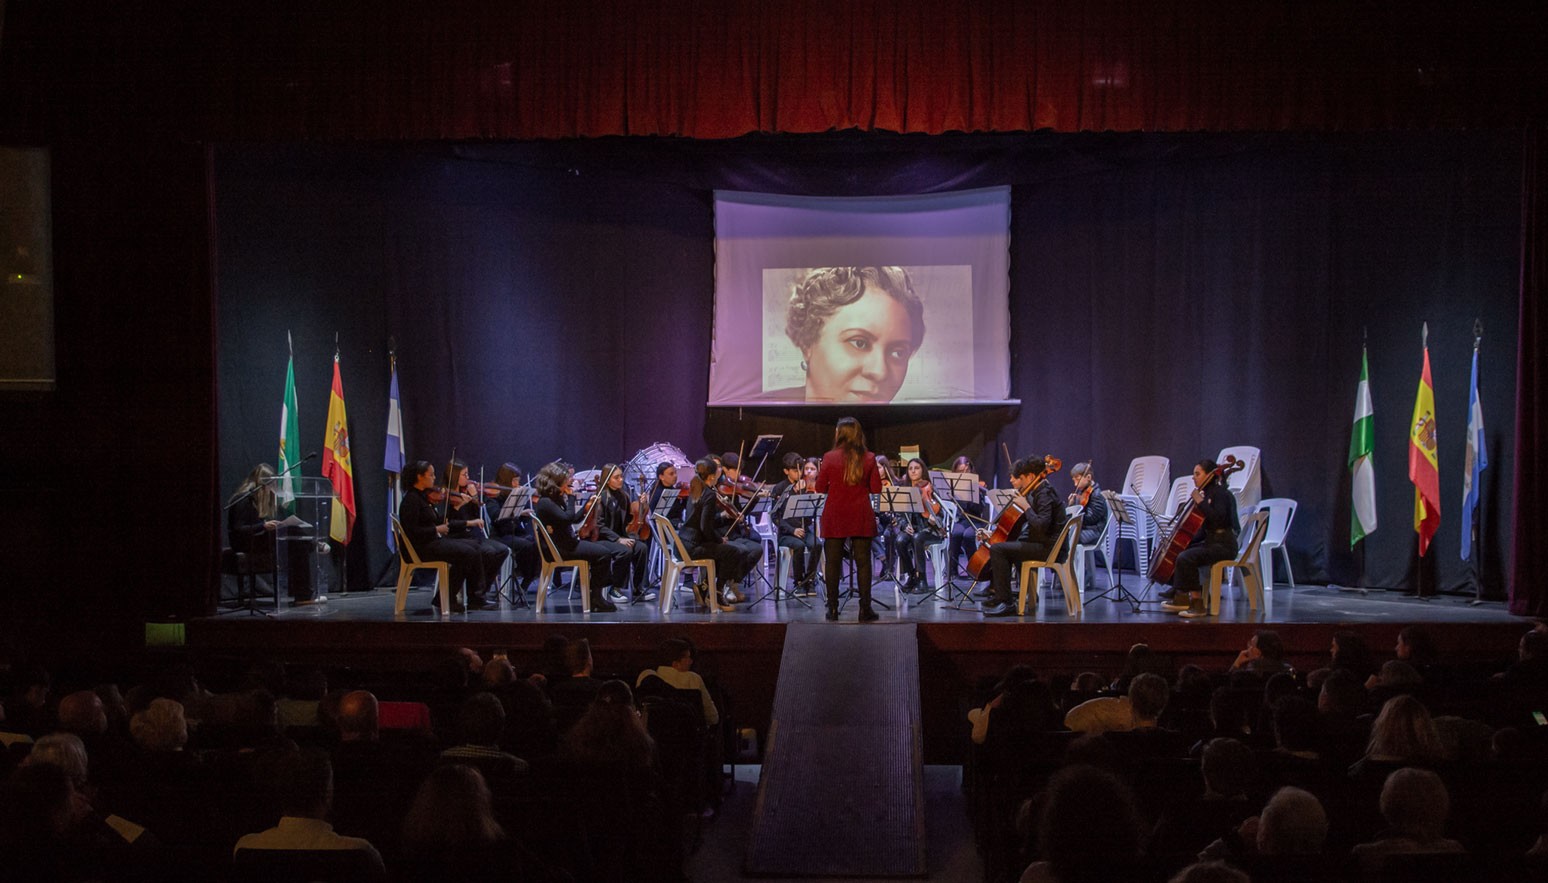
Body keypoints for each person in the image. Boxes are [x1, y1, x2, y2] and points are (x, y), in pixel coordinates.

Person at [783, 266, 926, 403]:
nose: (879, 372)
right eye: (859, 343)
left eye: (898, 353)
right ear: (807, 343)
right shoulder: (766, 418)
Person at [814, 417, 884, 622]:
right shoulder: (870, 458)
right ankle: (865, 609)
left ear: (840, 433)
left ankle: (833, 609)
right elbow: (876, 489)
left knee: (833, 563)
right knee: (864, 563)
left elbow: (820, 488)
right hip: (860, 513)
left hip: (835, 514)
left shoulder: (828, 457)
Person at [975, 456, 1061, 617]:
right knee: (1004, 546)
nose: (1017, 481)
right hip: (1040, 543)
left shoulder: (1044, 494)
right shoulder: (1035, 492)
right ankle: (1006, 596)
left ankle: (1006, 602)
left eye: (1020, 478)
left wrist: (1026, 507)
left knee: (998, 550)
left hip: (1049, 548)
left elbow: (1042, 525)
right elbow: (1018, 527)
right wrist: (993, 534)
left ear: (1030, 476)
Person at [397, 460, 486, 613]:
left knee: (474, 546)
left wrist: (463, 519)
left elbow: (444, 523)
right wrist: (436, 529)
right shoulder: (411, 500)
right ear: (419, 477)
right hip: (420, 548)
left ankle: (456, 596)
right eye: (431, 475)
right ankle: (458, 597)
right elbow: (412, 531)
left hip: (430, 543)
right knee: (468, 552)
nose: (434, 478)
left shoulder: (422, 498)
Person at [531, 461, 618, 613]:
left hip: (566, 544)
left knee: (601, 552)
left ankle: (595, 595)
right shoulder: (546, 502)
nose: (569, 482)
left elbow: (573, 519)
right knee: (604, 553)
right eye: (566, 479)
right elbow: (567, 518)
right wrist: (571, 499)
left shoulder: (553, 499)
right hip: (559, 549)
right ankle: (596, 597)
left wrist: (587, 508)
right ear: (556, 481)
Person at [1159, 459, 1241, 619]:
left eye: (1197, 474)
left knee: (1186, 558)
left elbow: (1219, 520)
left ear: (1210, 475)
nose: (1193, 478)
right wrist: (1184, 540)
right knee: (1182, 552)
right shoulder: (1208, 493)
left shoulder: (1221, 494)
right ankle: (1181, 596)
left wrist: (1200, 502)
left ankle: (1197, 604)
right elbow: (1204, 529)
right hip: (1213, 542)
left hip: (1224, 545)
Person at [227, 463, 318, 604]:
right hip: (244, 543)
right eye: (270, 485)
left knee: (295, 539)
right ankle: (314, 545)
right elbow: (238, 529)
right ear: (261, 484)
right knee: (293, 534)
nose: (271, 489)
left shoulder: (260, 498)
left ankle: (303, 594)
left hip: (257, 538)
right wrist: (263, 526)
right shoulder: (244, 498)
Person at [680, 458, 763, 605]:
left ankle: (705, 588)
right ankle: (717, 593)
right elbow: (705, 526)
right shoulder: (709, 494)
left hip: (685, 543)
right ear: (712, 476)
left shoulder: (696, 487)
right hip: (694, 546)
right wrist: (719, 540)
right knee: (732, 551)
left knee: (731, 550)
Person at [444, 459, 511, 607]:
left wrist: (475, 498)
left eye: (467, 474)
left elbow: (476, 515)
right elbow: (449, 524)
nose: (468, 478)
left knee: (502, 550)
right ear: (454, 476)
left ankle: (482, 590)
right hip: (455, 537)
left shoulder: (466, 493)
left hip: (470, 536)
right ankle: (475, 596)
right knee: (486, 552)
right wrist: (468, 521)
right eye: (464, 475)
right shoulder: (446, 496)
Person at [594, 463, 654, 604]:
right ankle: (615, 588)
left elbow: (628, 520)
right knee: (625, 551)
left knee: (641, 548)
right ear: (607, 480)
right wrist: (618, 539)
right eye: (617, 477)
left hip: (620, 536)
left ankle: (638, 588)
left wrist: (642, 505)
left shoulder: (623, 496)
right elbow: (599, 525)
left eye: (621, 476)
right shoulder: (600, 497)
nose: (621, 479)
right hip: (602, 539)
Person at [770, 452, 821, 593]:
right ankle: (798, 581)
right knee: (798, 546)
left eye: (801, 469)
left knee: (817, 544)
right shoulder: (780, 488)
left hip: (805, 530)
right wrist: (792, 530)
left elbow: (811, 514)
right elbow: (774, 516)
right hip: (787, 533)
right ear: (786, 471)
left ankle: (809, 579)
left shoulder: (806, 487)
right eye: (795, 470)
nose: (799, 473)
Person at [894, 458, 946, 592]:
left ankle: (922, 579)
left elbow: (942, 513)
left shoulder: (931, 489)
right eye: (910, 468)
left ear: (923, 470)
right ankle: (911, 576)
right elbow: (899, 516)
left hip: (930, 531)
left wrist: (935, 520)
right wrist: (905, 526)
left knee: (918, 538)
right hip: (913, 530)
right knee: (900, 540)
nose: (913, 471)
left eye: (916, 468)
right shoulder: (905, 491)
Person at [488, 462, 540, 594]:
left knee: (537, 543)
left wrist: (525, 511)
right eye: (515, 481)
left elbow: (520, 519)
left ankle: (528, 578)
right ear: (506, 480)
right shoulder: (494, 496)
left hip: (514, 532)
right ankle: (523, 574)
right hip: (500, 535)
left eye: (518, 480)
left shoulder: (515, 494)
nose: (517, 484)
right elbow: (496, 516)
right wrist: (517, 512)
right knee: (526, 546)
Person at [1063, 461, 1108, 587]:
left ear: (1088, 477)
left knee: (1066, 539)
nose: (1075, 484)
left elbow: (1091, 518)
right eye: (1073, 480)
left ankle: (1079, 575)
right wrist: (1072, 505)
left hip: (1094, 531)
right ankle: (1065, 575)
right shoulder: (1082, 493)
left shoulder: (1097, 495)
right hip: (1085, 529)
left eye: (1077, 479)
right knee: (1060, 538)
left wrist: (1077, 510)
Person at [945, 455, 988, 579]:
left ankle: (973, 569)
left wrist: (970, 497)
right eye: (959, 471)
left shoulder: (978, 486)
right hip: (960, 520)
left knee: (968, 535)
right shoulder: (952, 487)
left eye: (966, 470)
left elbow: (979, 510)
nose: (963, 474)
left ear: (970, 470)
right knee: (956, 533)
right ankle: (952, 571)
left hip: (975, 520)